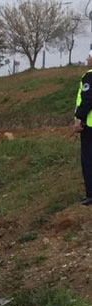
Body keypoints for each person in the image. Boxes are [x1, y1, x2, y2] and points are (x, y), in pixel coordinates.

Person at [74, 50, 92, 206]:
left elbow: (87, 99)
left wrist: (79, 118)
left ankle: (90, 194)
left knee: (88, 160)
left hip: (90, 126)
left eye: (89, 56)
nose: (87, 58)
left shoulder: (89, 77)